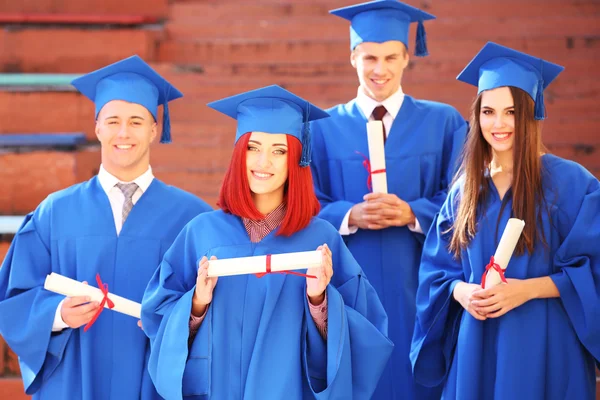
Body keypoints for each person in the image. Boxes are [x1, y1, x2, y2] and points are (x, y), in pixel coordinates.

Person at [141, 85, 393, 400]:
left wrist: (319, 301)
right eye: (253, 147)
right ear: (238, 153)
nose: (264, 162)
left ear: (297, 161)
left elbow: (366, 335)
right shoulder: (201, 233)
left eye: (279, 151)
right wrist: (196, 303)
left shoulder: (320, 240)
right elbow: (156, 317)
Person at [0, 55, 212, 399]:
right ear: (97, 127)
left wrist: (179, 321)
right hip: (74, 381)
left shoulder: (192, 217)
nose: (123, 133)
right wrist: (56, 314)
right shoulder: (54, 213)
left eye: (136, 121)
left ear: (154, 130)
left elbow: (214, 308)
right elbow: (15, 297)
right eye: (113, 121)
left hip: (154, 383)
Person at [410, 42, 600, 399]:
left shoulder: (571, 183)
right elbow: (437, 272)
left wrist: (526, 289)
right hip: (477, 344)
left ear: (530, 115)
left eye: (511, 112)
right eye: (488, 112)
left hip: (546, 341)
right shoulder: (464, 191)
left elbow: (594, 268)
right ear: (477, 115)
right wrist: (462, 291)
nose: (498, 124)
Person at [309, 1, 468, 398]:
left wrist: (413, 212)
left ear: (406, 58)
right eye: (369, 57)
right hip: (348, 286)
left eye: (390, 57)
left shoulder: (443, 122)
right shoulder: (322, 128)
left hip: (419, 285)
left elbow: (465, 201)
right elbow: (304, 206)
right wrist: (349, 215)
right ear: (353, 57)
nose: (379, 69)